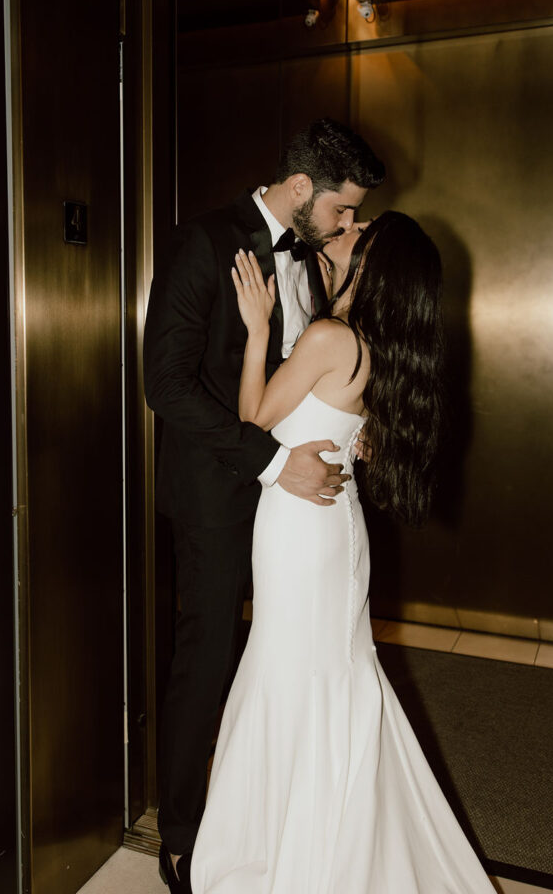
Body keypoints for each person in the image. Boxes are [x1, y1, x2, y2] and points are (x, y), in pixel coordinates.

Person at [189, 212, 496, 893]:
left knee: (292, 674)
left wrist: (259, 331)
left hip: (301, 530)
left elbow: (251, 425)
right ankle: (329, 839)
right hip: (335, 530)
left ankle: (292, 853)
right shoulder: (375, 346)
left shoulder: (331, 338)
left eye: (359, 234)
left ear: (372, 265)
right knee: (328, 676)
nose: (344, 232)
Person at [143, 119, 386, 894]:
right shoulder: (202, 243)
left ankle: (283, 814)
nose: (350, 225)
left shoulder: (315, 264)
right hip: (219, 495)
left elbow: (305, 373)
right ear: (300, 189)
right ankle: (181, 837)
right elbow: (166, 386)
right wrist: (276, 462)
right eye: (343, 209)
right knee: (208, 659)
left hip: (295, 510)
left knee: (288, 658)